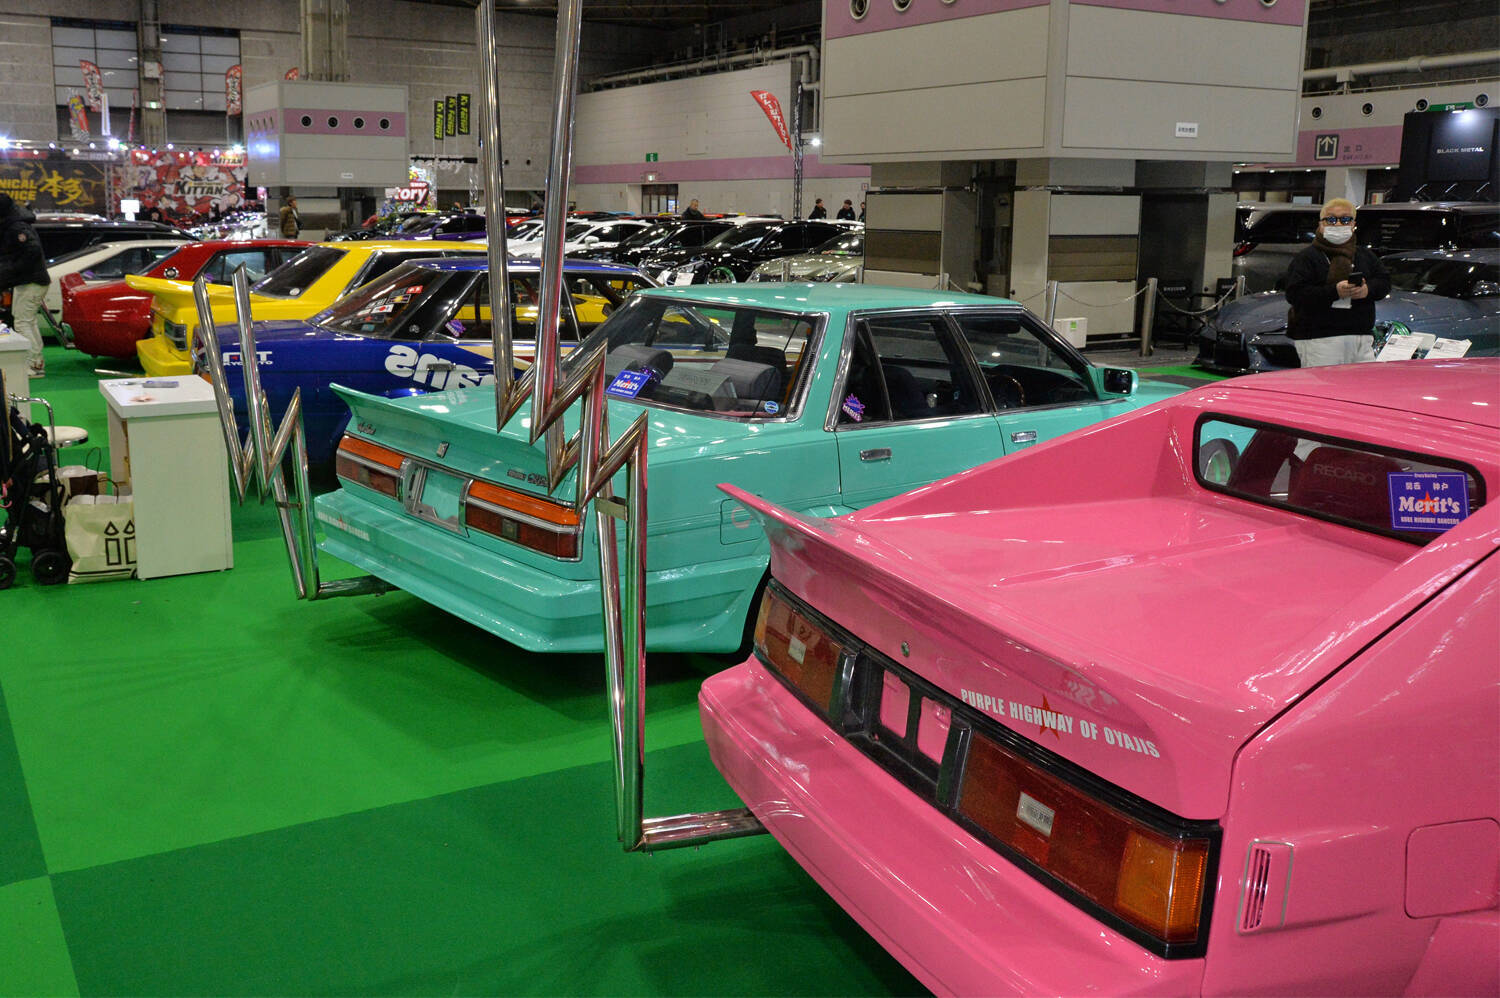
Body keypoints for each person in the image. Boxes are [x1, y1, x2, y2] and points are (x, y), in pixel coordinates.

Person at [1282, 197, 1390, 367]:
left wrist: (1367, 290)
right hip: (1319, 338)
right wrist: (1335, 291)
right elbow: (1295, 294)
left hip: (1360, 336)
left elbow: (1384, 281)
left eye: (1345, 219)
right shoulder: (1307, 257)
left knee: (1362, 383)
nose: (1338, 224)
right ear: (1321, 224)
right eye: (1331, 219)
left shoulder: (1364, 255)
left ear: (1353, 224)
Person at [0, 193, 50, 378]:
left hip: (31, 281)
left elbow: (32, 251)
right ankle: (36, 361)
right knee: (27, 321)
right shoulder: (16, 224)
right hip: (30, 281)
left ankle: (34, 364)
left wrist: (10, 271)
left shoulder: (16, 227)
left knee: (23, 322)